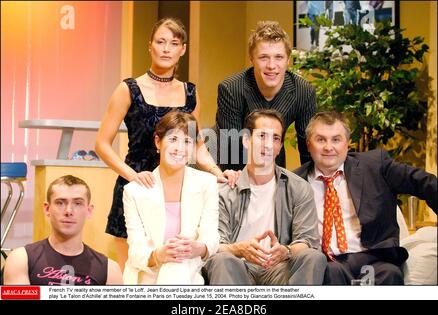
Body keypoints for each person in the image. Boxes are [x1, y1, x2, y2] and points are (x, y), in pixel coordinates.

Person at [95, 18, 237, 271]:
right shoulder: (128, 88)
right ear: (150, 46)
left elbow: (198, 146)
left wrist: (217, 173)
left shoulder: (190, 93)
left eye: (173, 43)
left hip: (178, 187)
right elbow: (102, 144)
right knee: (135, 270)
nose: (166, 49)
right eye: (160, 42)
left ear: (182, 49)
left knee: (177, 265)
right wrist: (133, 177)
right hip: (137, 184)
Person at [294, 111, 438, 285]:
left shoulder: (375, 165)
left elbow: (423, 183)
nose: (328, 147)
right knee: (328, 275)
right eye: (321, 139)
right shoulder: (294, 181)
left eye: (336, 139)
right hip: (329, 262)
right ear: (309, 145)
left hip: (375, 258)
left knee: (390, 275)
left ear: (347, 144)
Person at [205, 109, 327, 285]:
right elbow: (215, 244)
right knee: (221, 260)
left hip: (280, 268)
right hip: (239, 267)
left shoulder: (299, 187)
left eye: (275, 138)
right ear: (246, 140)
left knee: (313, 257)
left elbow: (307, 241)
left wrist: (286, 251)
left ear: (280, 146)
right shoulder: (224, 190)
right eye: (262, 136)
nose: (269, 145)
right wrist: (239, 249)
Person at [122, 111, 219, 284]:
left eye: (187, 141)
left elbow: (211, 238)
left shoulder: (207, 184)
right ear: (158, 142)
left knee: (177, 264)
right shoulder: (134, 191)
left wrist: (198, 248)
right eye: (173, 139)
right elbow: (136, 250)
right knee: (172, 263)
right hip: (148, 274)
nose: (180, 148)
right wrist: (159, 255)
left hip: (189, 272)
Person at [215, 20, 317, 172]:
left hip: (275, 160)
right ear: (252, 59)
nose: (271, 65)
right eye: (263, 57)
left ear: (288, 60)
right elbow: (231, 151)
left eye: (279, 57)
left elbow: (308, 151)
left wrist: (306, 188)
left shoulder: (303, 91)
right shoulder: (231, 89)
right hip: (237, 167)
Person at [3, 175, 123, 285]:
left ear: (89, 211)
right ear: (47, 209)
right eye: (60, 203)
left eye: (78, 203)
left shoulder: (109, 270)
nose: (69, 211)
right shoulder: (21, 259)